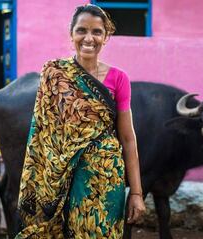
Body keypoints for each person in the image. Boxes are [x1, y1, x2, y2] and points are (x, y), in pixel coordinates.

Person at [16, 4, 145, 238]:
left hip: (105, 177)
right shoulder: (55, 75)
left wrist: (136, 192)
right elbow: (42, 132)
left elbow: (127, 137)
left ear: (106, 36)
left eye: (97, 32)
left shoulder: (119, 78)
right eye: (82, 30)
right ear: (71, 33)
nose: (89, 38)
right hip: (60, 177)